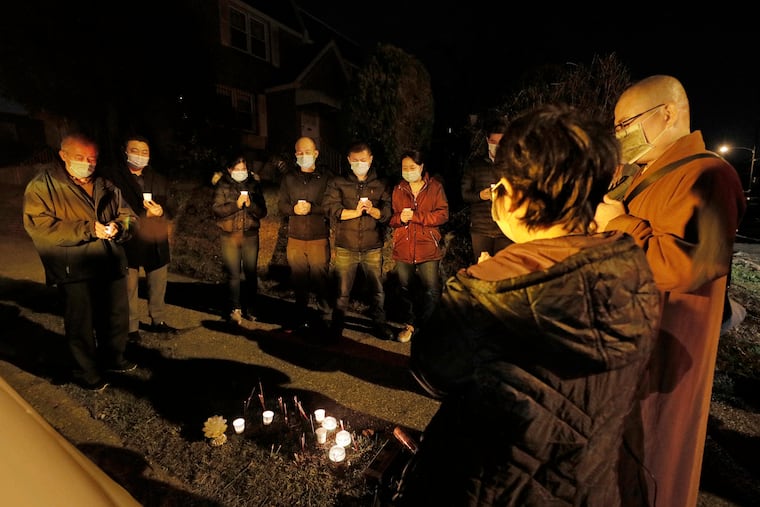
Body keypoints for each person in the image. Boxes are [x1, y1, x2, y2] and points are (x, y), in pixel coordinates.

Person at [393, 103, 661, 506]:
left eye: (505, 182)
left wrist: (487, 277)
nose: (498, 191)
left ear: (522, 195)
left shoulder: (486, 289)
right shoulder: (629, 262)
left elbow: (431, 372)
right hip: (587, 481)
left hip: (491, 486)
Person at [595, 75, 747, 507]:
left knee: (653, 464)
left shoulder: (711, 175)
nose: (620, 136)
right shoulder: (638, 175)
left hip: (667, 353)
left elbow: (690, 266)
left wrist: (620, 224)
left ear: (667, 113)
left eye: (626, 125)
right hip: (625, 345)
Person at [23, 130, 139, 392]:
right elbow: (40, 227)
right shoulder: (44, 186)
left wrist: (120, 228)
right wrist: (88, 229)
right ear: (63, 155)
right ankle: (87, 371)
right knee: (81, 322)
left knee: (116, 316)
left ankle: (114, 358)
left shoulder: (105, 184)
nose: (87, 163)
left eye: (92, 158)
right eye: (80, 157)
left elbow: (130, 216)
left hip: (109, 262)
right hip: (73, 267)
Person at [109, 135, 178, 341]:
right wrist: (141, 214)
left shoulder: (158, 178)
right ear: (125, 151)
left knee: (158, 283)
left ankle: (158, 320)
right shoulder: (114, 178)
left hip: (155, 239)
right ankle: (131, 327)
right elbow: (112, 209)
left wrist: (162, 210)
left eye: (145, 152)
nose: (140, 156)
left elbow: (172, 207)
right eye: (135, 151)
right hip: (128, 239)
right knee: (129, 286)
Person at [323, 140, 393, 341]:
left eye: (363, 160)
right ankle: (336, 326)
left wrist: (374, 211)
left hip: (373, 246)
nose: (359, 164)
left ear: (370, 160)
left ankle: (379, 324)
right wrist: (354, 212)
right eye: (355, 161)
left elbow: (388, 212)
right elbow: (331, 209)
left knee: (377, 290)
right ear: (348, 160)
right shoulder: (338, 182)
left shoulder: (381, 184)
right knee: (342, 291)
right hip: (346, 245)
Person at [388, 149, 449, 343]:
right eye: (404, 168)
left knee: (431, 289)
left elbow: (443, 215)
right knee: (405, 288)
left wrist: (417, 216)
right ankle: (410, 325)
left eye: (412, 167)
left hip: (427, 246)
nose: (408, 171)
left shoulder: (435, 188)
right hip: (404, 245)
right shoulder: (398, 189)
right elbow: (392, 218)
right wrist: (400, 218)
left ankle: (427, 327)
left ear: (421, 167)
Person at [277, 136, 333, 335]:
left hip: (318, 236)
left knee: (321, 280)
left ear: (316, 153)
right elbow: (281, 205)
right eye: (299, 153)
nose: (303, 156)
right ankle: (300, 317)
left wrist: (313, 208)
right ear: (295, 155)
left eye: (307, 152)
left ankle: (325, 318)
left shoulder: (326, 178)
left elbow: (330, 206)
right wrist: (293, 209)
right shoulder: (289, 178)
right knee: (299, 280)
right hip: (296, 237)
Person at [212, 155, 268, 325]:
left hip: (250, 235)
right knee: (233, 273)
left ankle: (251, 308)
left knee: (251, 273)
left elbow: (262, 212)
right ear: (230, 170)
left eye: (243, 169)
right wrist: (236, 205)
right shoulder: (222, 185)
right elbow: (217, 210)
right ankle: (234, 308)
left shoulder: (254, 185)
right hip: (229, 235)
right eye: (237, 169)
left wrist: (250, 204)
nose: (241, 172)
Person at [460, 116, 513, 263]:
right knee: (483, 270)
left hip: (506, 229)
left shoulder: (513, 165)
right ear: (487, 141)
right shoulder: (475, 165)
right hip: (481, 229)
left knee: (503, 270)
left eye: (501, 142)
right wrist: (480, 195)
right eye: (493, 142)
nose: (497, 146)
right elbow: (465, 194)